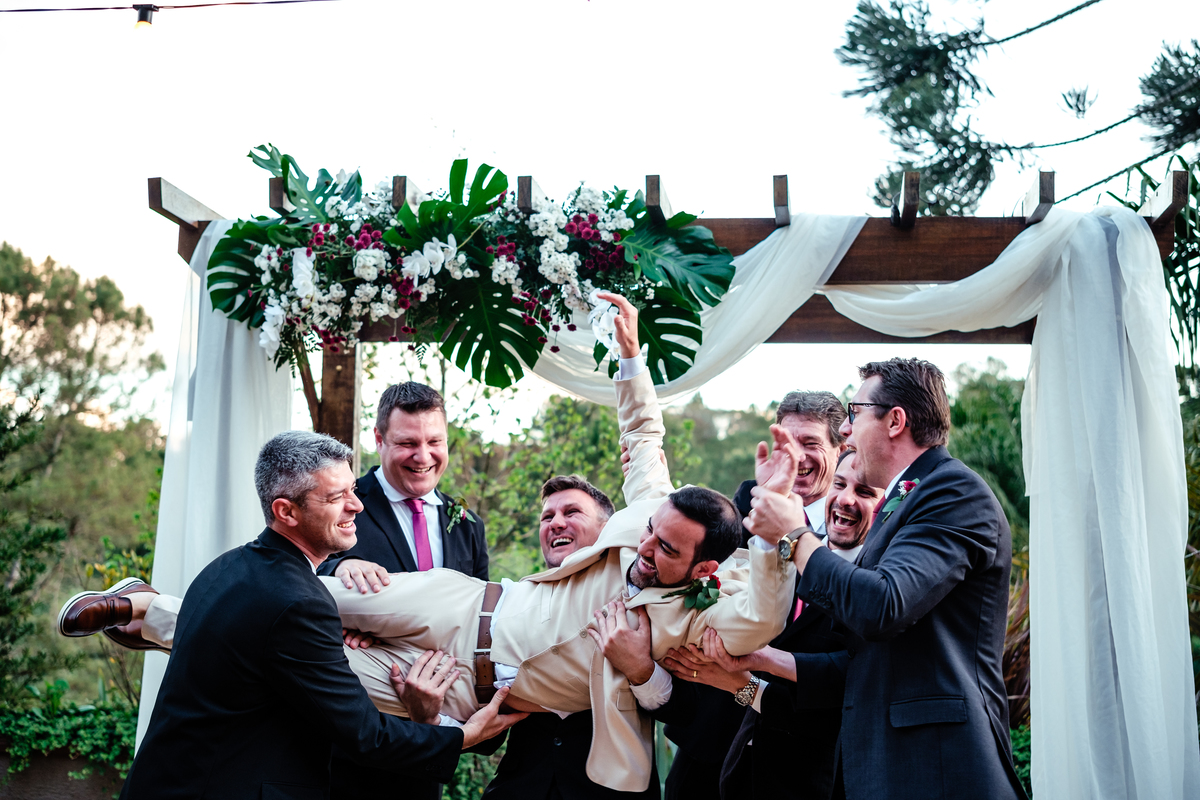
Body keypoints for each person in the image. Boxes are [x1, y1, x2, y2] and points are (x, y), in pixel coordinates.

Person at [62, 293, 795, 795]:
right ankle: (143, 606)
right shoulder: (644, 515)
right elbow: (643, 438)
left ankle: (146, 615)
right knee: (293, 599)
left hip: (460, 686)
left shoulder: (704, 616)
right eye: (651, 533)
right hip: (461, 603)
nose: (645, 550)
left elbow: (759, 618)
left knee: (308, 667)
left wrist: (772, 538)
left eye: (665, 552)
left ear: (703, 567)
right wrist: (631, 357)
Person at [115, 431, 522, 800]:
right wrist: (462, 736)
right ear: (286, 511)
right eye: (335, 497)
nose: (357, 505)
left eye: (353, 489)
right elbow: (365, 734)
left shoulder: (224, 567)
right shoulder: (299, 603)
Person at [747, 358, 1027, 800]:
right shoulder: (904, 499)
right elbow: (871, 654)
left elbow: (882, 607)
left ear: (895, 420)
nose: (845, 430)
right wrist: (758, 660)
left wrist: (795, 536)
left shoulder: (954, 491)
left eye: (855, 413)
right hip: (887, 764)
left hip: (936, 767)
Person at [662, 390, 848, 800]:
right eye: (789, 443)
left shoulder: (852, 527)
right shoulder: (744, 503)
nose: (797, 457)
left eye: (811, 444)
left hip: (797, 754)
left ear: (842, 447)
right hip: (711, 736)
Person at [483, 475, 686, 800]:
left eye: (572, 512)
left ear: (608, 530)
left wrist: (641, 671)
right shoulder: (510, 607)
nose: (556, 523)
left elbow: (688, 711)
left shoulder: (650, 599)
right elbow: (485, 738)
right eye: (547, 517)